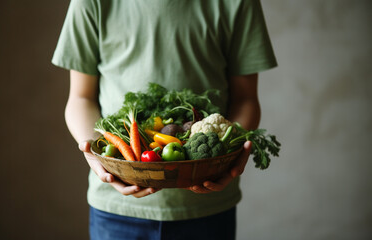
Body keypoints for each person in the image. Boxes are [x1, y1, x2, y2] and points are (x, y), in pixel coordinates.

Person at [52, 0, 277, 239]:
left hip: (207, 207)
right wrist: (97, 153)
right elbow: (80, 98)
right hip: (116, 207)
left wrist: (230, 151)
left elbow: (246, 99)